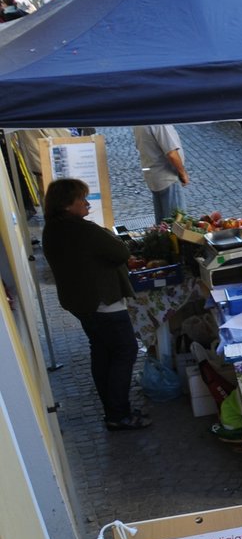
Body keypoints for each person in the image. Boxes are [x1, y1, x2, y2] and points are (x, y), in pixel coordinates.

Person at [40, 178, 148, 430]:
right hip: (103, 302)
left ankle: (113, 411)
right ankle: (119, 414)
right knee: (125, 350)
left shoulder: (52, 229)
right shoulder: (82, 230)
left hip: (80, 303)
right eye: (82, 199)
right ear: (67, 205)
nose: (87, 203)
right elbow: (121, 253)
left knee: (101, 351)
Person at [134, 124, 189, 221]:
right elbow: (172, 153)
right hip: (168, 178)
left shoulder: (138, 121)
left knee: (162, 226)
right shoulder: (160, 123)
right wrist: (183, 173)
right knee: (177, 224)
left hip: (153, 177)